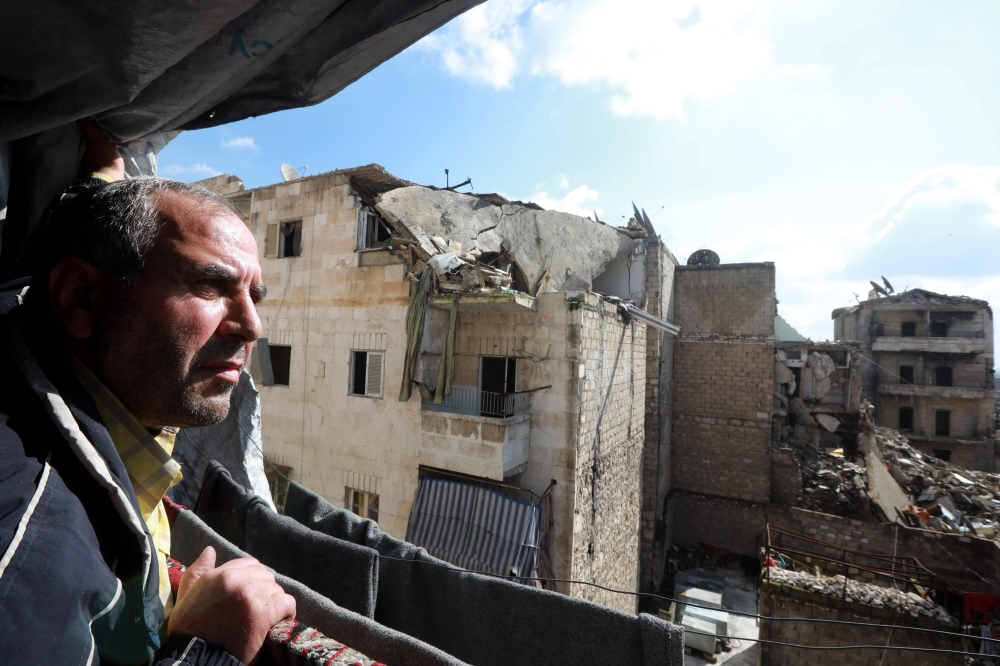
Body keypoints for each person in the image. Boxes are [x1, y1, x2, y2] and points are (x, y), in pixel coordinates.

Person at [0, 121, 295, 665]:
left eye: (254, 296)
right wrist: (205, 650)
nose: (252, 327)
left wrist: (103, 179)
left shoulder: (27, 338)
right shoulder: (31, 543)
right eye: (210, 284)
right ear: (80, 299)